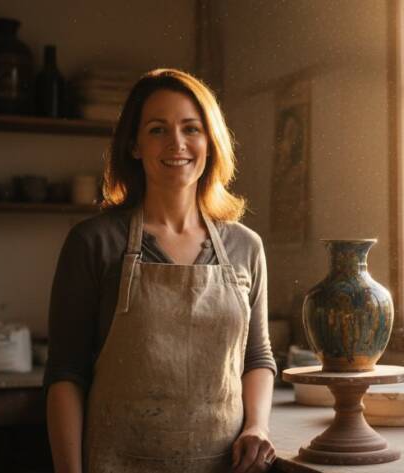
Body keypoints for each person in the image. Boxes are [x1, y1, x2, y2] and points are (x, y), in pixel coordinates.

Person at [44, 68, 277, 473]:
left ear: (210, 141)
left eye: (192, 128)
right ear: (133, 145)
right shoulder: (94, 243)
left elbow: (257, 357)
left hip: (222, 465)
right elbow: (66, 373)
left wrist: (257, 425)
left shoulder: (245, 246)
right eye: (157, 130)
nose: (177, 143)